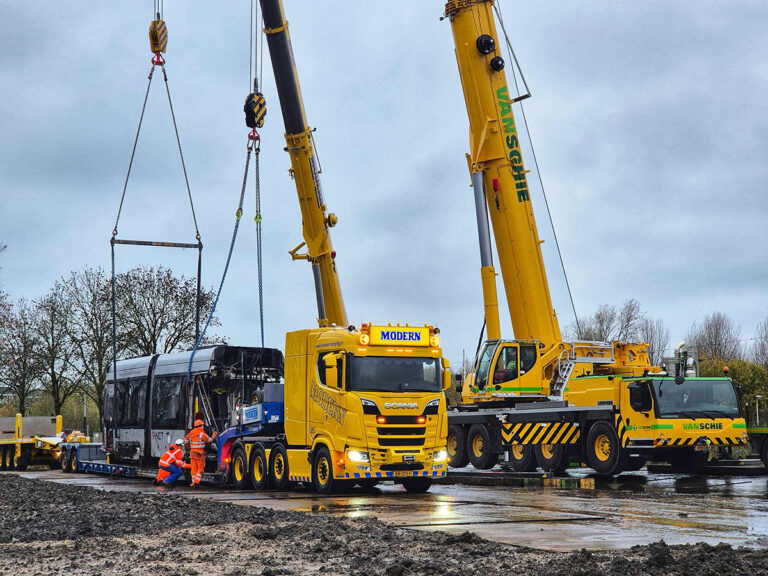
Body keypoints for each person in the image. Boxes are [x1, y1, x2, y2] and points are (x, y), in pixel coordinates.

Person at [185, 419, 217, 488]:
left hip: (192, 453)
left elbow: (185, 440)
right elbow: (210, 441)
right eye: (202, 425)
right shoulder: (202, 434)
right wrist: (213, 435)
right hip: (199, 454)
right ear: (200, 426)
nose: (203, 427)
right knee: (200, 468)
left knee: (193, 469)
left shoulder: (191, 433)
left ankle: (193, 483)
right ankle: (197, 482)